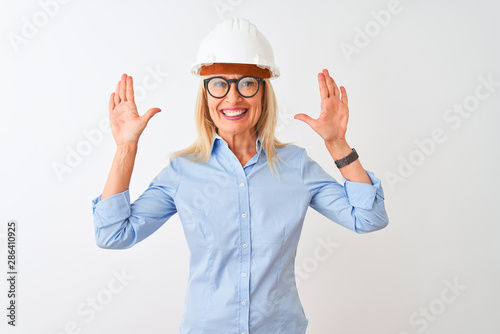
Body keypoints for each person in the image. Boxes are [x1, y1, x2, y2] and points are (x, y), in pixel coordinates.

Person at [92, 18, 388, 334]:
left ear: (263, 92)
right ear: (205, 95)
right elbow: (113, 235)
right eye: (219, 83)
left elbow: (369, 218)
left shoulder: (295, 166)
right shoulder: (183, 171)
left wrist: (336, 143)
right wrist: (126, 148)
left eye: (247, 83)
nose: (233, 98)